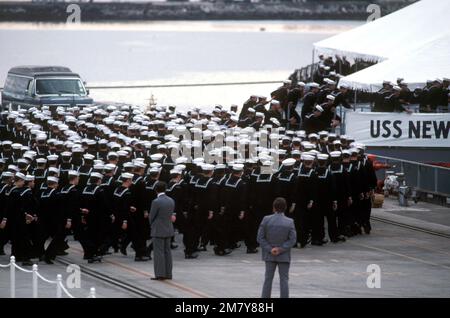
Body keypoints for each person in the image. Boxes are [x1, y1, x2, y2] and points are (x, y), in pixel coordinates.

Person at [257, 197, 297, 299]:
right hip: (283, 255)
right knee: (284, 280)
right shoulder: (290, 221)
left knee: (268, 279)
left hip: (269, 254)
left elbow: (260, 238)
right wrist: (280, 249)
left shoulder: (266, 219)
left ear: (274, 208)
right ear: (285, 208)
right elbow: (292, 240)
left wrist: (270, 249)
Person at [149, 181, 176, 280]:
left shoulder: (156, 202)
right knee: (167, 252)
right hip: (168, 228)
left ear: (156, 189)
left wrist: (152, 225)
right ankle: (168, 273)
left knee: (158, 253)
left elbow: (152, 216)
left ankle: (160, 274)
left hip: (158, 229)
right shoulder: (171, 200)